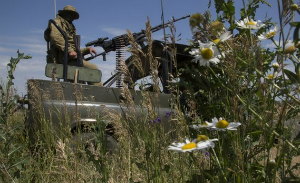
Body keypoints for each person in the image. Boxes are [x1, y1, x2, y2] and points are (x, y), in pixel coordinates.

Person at [46, 5, 100, 72]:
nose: (71, 16)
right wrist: (70, 50)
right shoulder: (57, 23)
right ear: (64, 13)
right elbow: (56, 37)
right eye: (69, 13)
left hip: (68, 58)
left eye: (73, 14)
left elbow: (74, 49)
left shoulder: (70, 27)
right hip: (62, 59)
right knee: (94, 69)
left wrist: (87, 49)